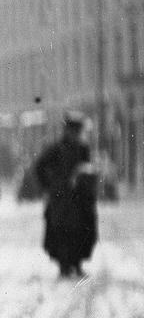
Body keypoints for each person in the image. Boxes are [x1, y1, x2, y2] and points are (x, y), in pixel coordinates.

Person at [32, 111, 97, 278]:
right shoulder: (56, 148)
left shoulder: (83, 149)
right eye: (74, 131)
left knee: (81, 230)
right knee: (62, 231)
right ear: (67, 131)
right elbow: (39, 166)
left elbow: (87, 169)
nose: (76, 134)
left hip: (80, 199)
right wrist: (49, 186)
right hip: (61, 200)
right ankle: (64, 265)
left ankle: (77, 263)